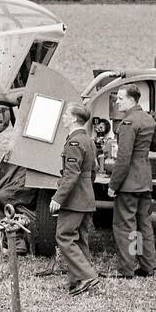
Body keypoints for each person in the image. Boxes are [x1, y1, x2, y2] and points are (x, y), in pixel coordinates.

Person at [107, 85, 156, 278]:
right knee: (143, 224)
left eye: (120, 99)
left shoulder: (128, 123)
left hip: (129, 183)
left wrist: (113, 185)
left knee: (125, 227)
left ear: (131, 100)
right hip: (145, 180)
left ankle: (127, 269)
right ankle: (148, 266)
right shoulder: (148, 119)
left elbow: (123, 160)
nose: (117, 102)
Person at [49, 103, 100, 296]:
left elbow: (71, 175)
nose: (63, 118)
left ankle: (87, 275)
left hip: (74, 199)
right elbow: (93, 171)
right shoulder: (88, 140)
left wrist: (58, 198)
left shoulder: (74, 142)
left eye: (66, 115)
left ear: (74, 119)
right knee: (80, 240)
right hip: (86, 197)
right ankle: (77, 282)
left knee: (64, 236)